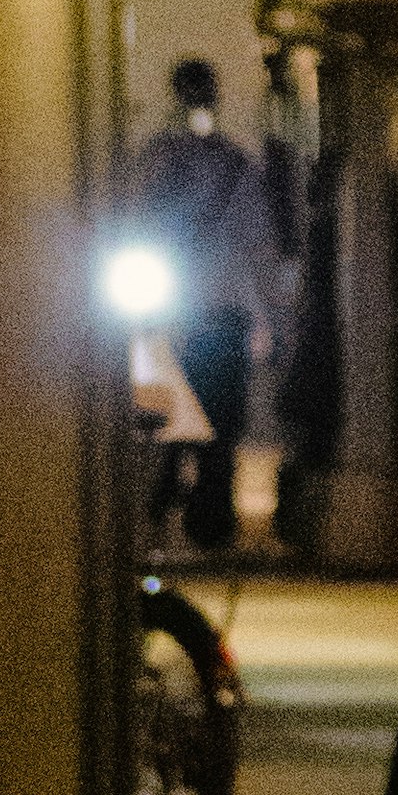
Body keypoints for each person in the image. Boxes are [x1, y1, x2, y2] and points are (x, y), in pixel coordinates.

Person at [130, 55, 286, 556]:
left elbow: (132, 223)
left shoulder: (155, 161)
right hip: (216, 314)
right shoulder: (236, 166)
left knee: (171, 424)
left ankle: (158, 519)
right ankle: (206, 526)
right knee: (214, 424)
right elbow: (258, 246)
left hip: (170, 315)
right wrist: (271, 316)